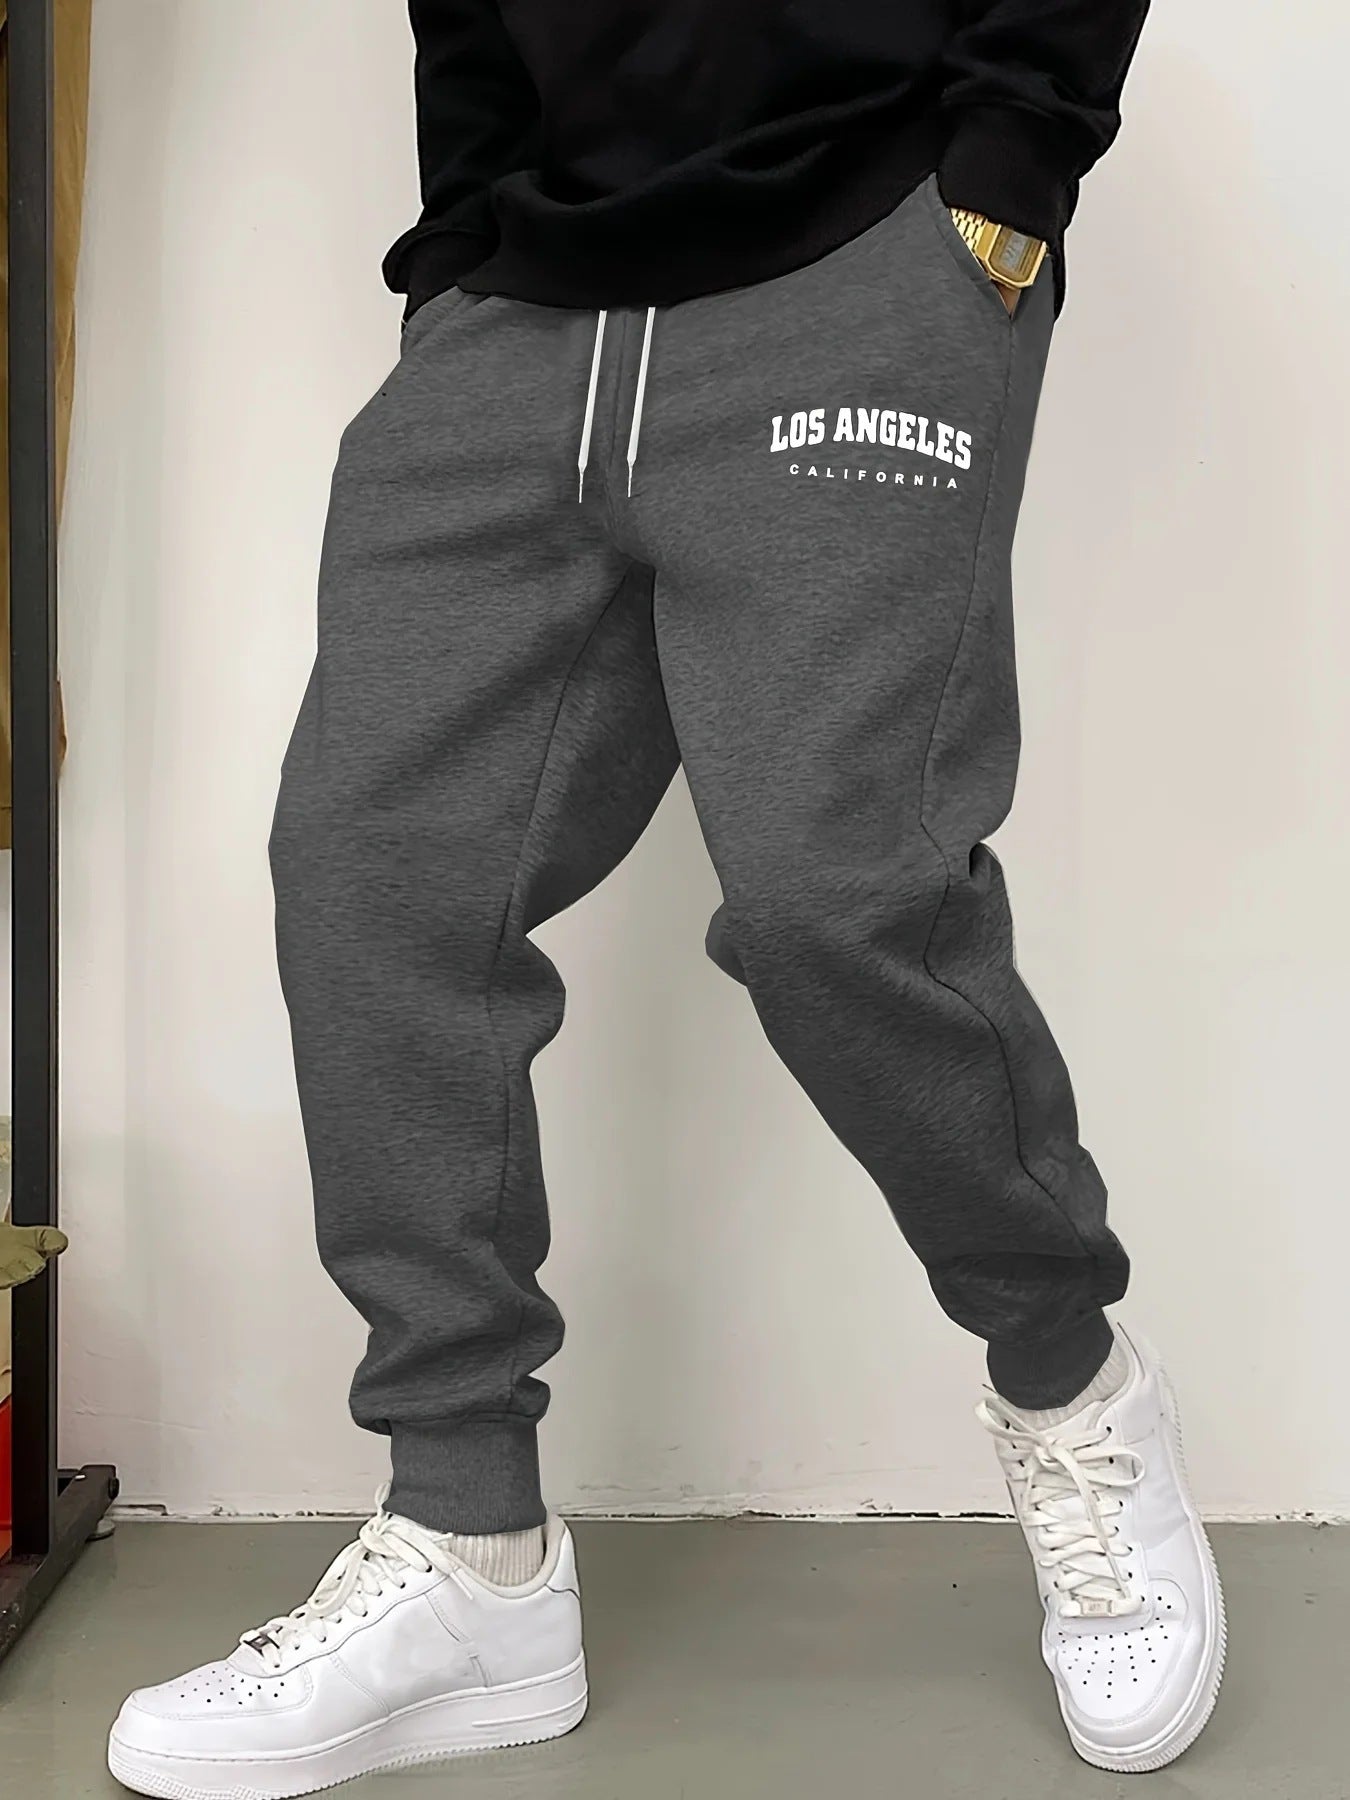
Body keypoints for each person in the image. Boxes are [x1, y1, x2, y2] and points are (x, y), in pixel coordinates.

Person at [108, 2, 1227, 1793]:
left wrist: (1010, 159)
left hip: (863, 248)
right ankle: (468, 1545)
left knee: (835, 903)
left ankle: (1069, 1382)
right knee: (375, 881)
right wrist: (460, 241)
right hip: (520, 298)